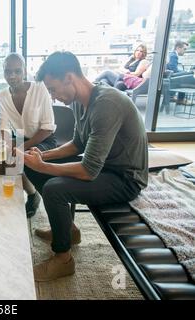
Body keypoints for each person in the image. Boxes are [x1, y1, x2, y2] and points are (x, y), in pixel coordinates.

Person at [21, 51, 148, 282]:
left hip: (125, 178)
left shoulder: (107, 104)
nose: (53, 96)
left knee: (53, 188)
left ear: (69, 78)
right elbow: (77, 144)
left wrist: (44, 166)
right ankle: (68, 230)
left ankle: (63, 260)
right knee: (29, 165)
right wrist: (41, 156)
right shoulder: (81, 102)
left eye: (53, 89)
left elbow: (88, 171)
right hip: (103, 167)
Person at [0, 53, 57, 218]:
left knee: (25, 157)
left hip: (44, 138)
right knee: (6, 158)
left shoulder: (40, 88)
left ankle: (52, 202)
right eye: (8, 72)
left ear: (24, 71)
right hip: (22, 138)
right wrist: (6, 144)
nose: (13, 76)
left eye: (17, 71)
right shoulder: (1, 97)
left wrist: (22, 148)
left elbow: (48, 128)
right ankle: (32, 194)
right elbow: (3, 127)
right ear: (3, 72)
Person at [164, 40, 195, 105]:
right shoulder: (173, 56)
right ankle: (181, 99)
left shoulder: (173, 54)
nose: (185, 51)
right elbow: (174, 70)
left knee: (188, 74)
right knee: (187, 77)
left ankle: (175, 97)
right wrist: (186, 72)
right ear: (178, 48)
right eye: (184, 49)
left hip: (169, 76)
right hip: (170, 78)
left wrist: (185, 72)